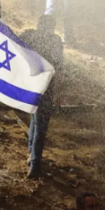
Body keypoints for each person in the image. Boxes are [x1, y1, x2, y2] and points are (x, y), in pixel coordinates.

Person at [21, 14, 64, 179]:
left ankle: (31, 152)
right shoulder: (55, 41)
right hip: (45, 88)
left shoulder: (30, 36)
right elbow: (58, 68)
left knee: (35, 117)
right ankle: (35, 163)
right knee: (40, 125)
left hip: (30, 86)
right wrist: (59, 91)